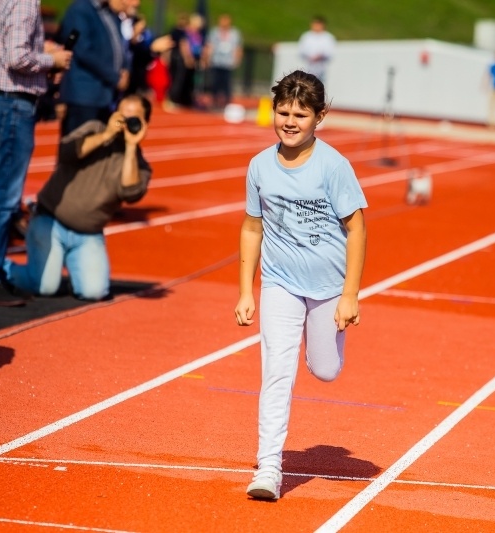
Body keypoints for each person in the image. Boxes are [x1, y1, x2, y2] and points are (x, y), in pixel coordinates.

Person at [234, 70, 367, 500]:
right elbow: (252, 227)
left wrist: (349, 295)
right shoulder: (259, 166)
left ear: (319, 117)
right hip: (280, 282)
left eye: (300, 114)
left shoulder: (334, 166)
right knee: (276, 370)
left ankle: (321, 342)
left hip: (328, 287)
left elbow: (357, 229)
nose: (289, 122)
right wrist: (246, 290)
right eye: (283, 112)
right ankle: (269, 467)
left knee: (325, 370)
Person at [4, 95, 151, 301]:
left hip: (88, 234)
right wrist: (107, 134)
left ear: (145, 123)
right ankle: (2, 268)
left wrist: (131, 146)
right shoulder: (94, 128)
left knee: (95, 292)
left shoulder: (139, 164)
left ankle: (71, 268)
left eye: (133, 117)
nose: (126, 120)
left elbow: (130, 192)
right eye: (122, 113)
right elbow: (66, 151)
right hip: (51, 222)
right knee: (45, 287)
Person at [0, 0, 72, 307]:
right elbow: (16, 57)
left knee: (2, 195)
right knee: (4, 197)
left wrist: (42, 53)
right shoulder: (26, 3)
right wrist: (51, 59)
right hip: (13, 103)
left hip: (2, 99)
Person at [57, 0, 139, 136]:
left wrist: (125, 69)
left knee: (101, 143)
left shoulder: (109, 13)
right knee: (79, 143)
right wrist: (115, 77)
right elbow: (83, 50)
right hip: (84, 94)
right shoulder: (81, 9)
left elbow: (121, 46)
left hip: (106, 95)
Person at [203, 13, 243, 109]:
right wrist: (206, 58)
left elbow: (238, 47)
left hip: (228, 62)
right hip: (216, 61)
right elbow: (209, 45)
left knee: (226, 84)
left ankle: (226, 102)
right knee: (215, 82)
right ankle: (214, 101)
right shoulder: (214, 32)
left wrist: (237, 59)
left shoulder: (234, 34)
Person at [298, 15, 336, 84]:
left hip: (322, 67)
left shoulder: (328, 37)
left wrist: (320, 56)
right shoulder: (306, 36)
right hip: (308, 66)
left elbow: (330, 53)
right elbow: (301, 51)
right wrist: (310, 57)